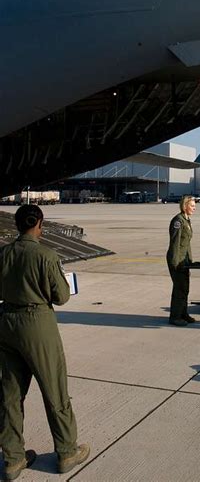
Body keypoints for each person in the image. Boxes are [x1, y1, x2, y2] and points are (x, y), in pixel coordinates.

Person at [0, 205, 89, 480]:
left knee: (10, 395)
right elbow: (61, 296)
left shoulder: (3, 253)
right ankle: (65, 451)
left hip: (6, 322)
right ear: (39, 223)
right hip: (37, 323)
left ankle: (13, 459)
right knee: (55, 390)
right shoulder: (46, 255)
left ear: (17, 225)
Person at [167, 195, 196, 326]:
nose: (194, 208)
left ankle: (183, 313)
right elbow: (175, 244)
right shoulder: (178, 221)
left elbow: (187, 244)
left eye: (195, 206)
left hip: (184, 261)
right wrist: (175, 263)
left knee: (185, 288)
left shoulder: (186, 220)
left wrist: (189, 263)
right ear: (185, 206)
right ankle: (175, 317)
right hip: (177, 260)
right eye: (192, 206)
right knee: (179, 288)